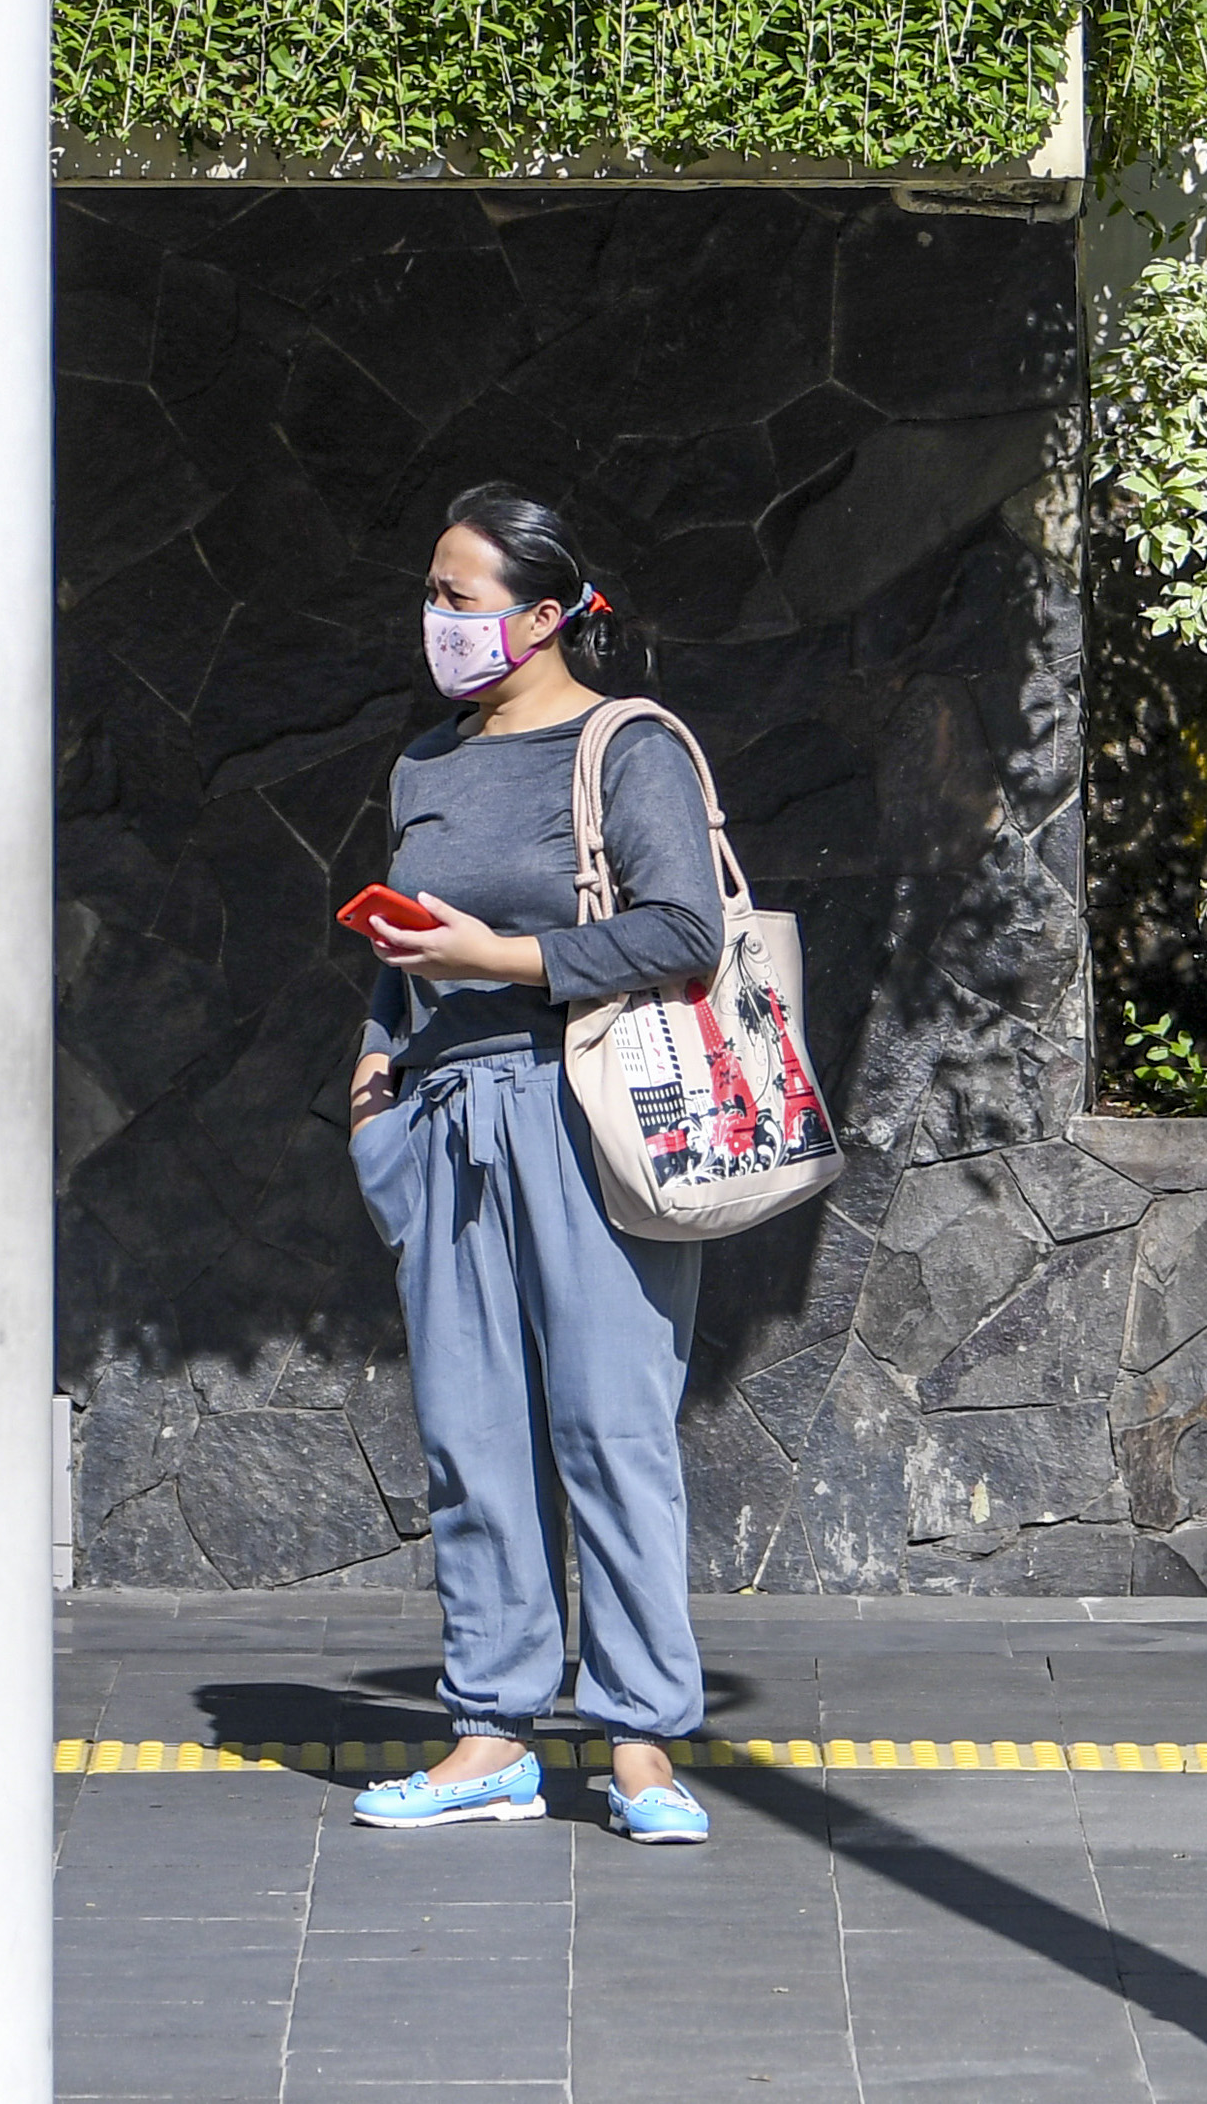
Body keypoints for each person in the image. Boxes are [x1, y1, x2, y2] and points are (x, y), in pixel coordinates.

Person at [344, 483, 721, 1843]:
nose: (436, 619)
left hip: (585, 1111)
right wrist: (376, 1070)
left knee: (610, 1431)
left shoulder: (627, 747)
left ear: (546, 614)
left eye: (462, 597)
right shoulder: (428, 766)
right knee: (470, 1434)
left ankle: (640, 1747)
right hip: (445, 1115)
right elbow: (406, 938)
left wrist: (497, 960)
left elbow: (685, 928)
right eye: (433, 593)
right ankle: (491, 1734)